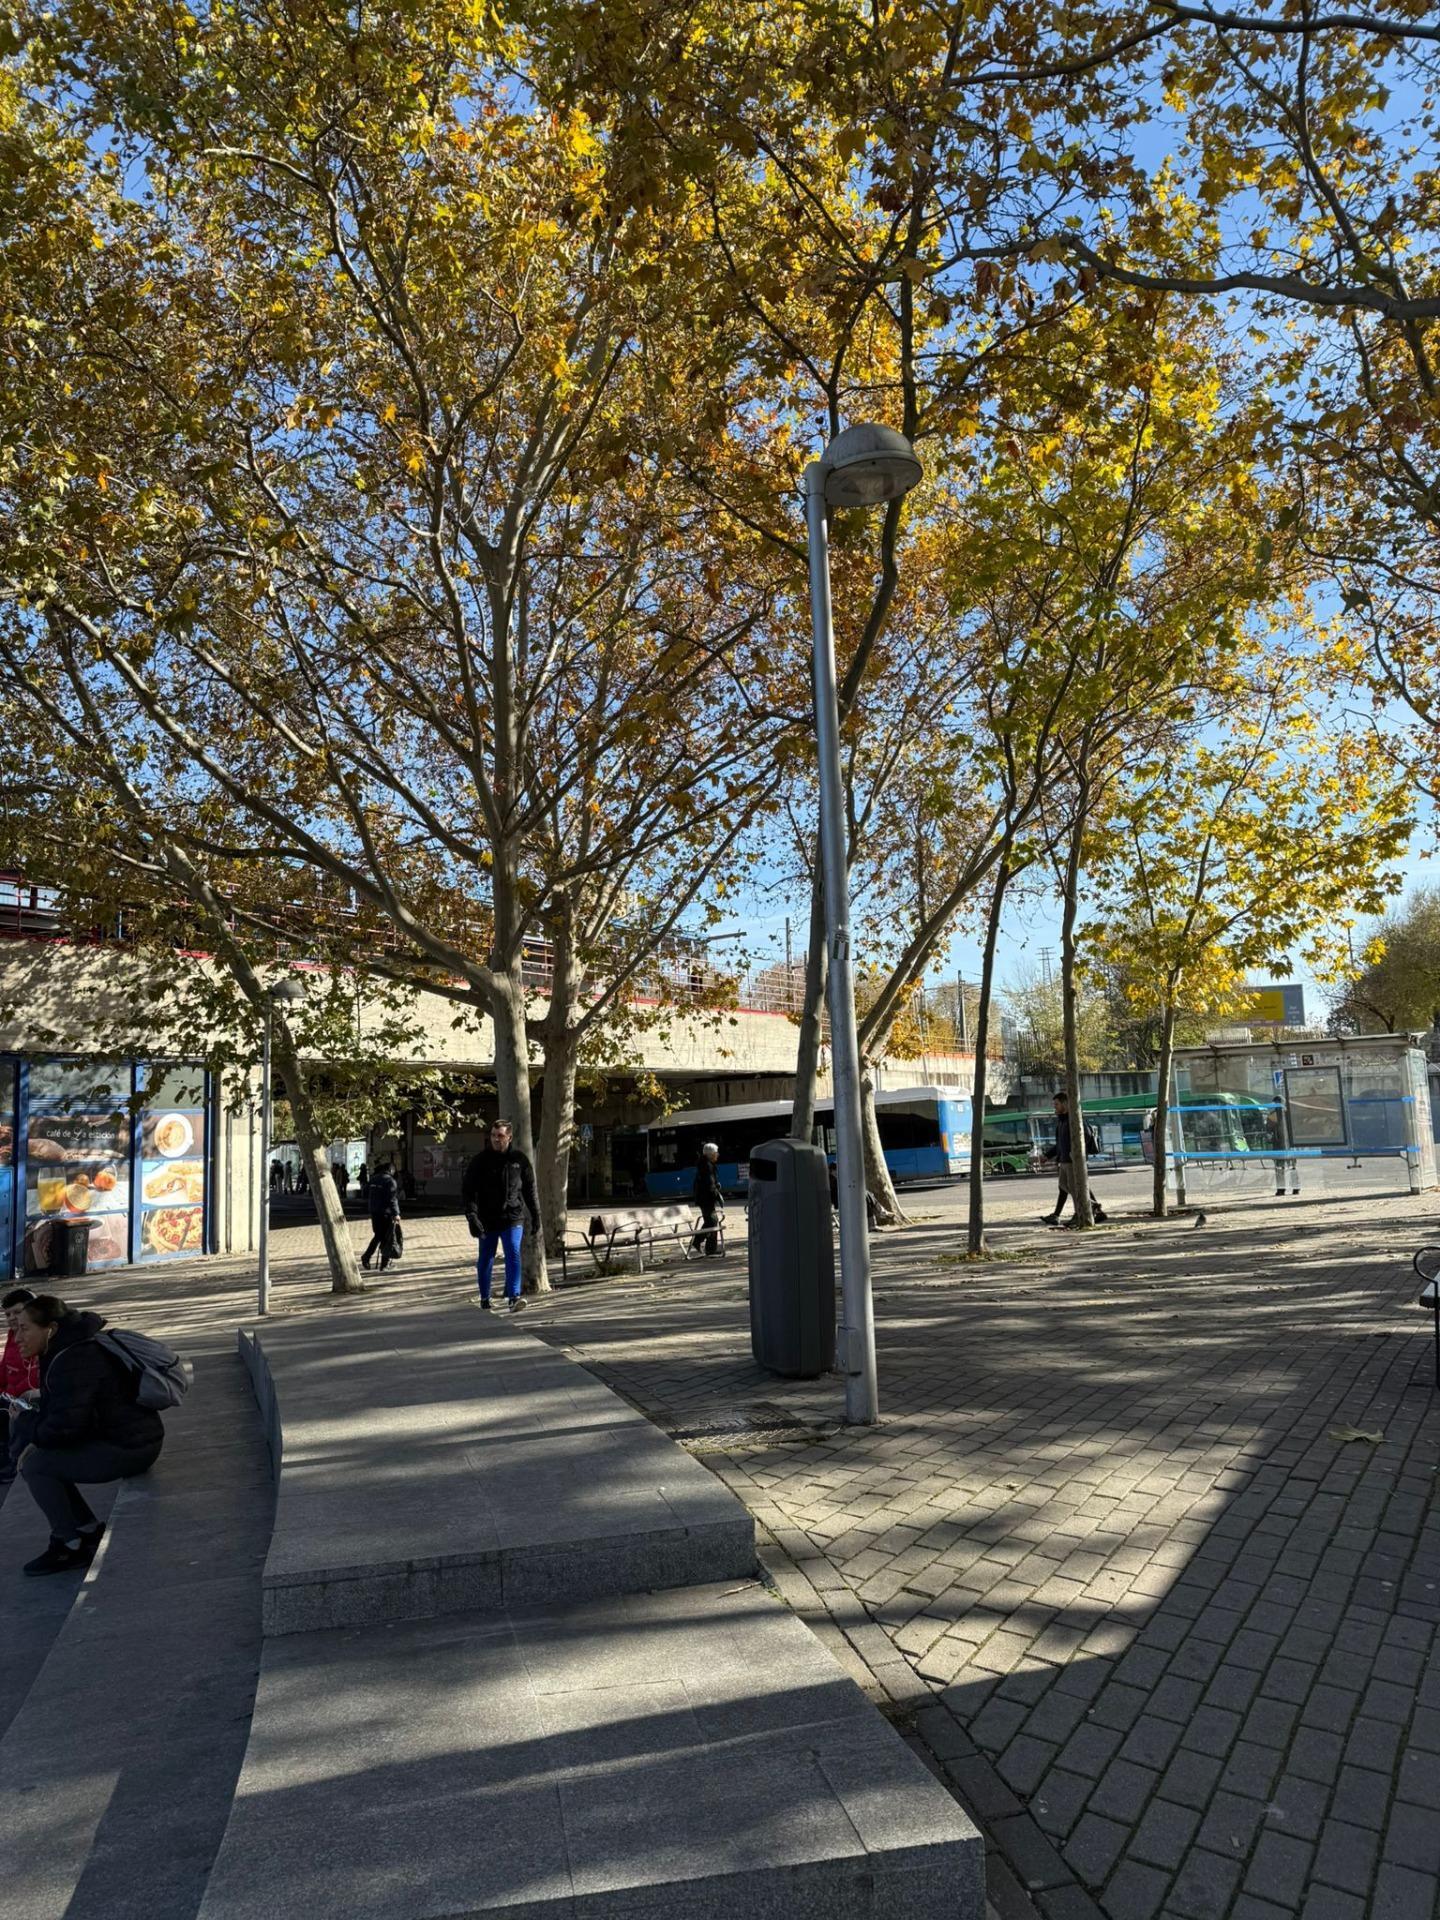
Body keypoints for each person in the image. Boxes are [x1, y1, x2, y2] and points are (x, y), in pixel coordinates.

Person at [12, 1293, 165, 1576]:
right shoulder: (66, 1348)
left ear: (50, 1329)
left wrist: (24, 1423)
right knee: (38, 1455)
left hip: (131, 1448)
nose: (17, 1338)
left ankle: (68, 1545)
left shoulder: (74, 1359)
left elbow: (65, 1429)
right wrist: (34, 1434)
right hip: (130, 1439)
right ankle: (87, 1529)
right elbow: (65, 1416)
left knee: (36, 1466)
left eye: (24, 1329)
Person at [462, 1119, 541, 1313]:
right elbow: (468, 1191)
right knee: (486, 1257)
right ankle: (485, 1298)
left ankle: (514, 1297)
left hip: (513, 1217)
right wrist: (472, 1216)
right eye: (493, 1136)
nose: (496, 1139)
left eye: (500, 1136)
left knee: (513, 1252)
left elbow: (530, 1190)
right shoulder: (480, 1161)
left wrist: (536, 1215)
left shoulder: (519, 1160)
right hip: (486, 1218)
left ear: (509, 1137)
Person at [1042, 1092, 1107, 1226]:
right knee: (1066, 1186)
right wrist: (1047, 1155)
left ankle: (1082, 1212)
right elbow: (1060, 1144)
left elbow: (1087, 1135)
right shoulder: (1061, 1121)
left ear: (1065, 1104)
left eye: (1056, 1104)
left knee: (1075, 1187)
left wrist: (1076, 1152)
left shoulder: (1074, 1119)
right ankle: (1094, 1208)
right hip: (1064, 1160)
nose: (1054, 1107)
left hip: (1072, 1161)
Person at [1, 1285, 40, 1485]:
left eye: (17, 1312)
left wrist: (9, 1394)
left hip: (29, 1395)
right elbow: (4, 1368)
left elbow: (36, 1377)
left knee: (6, 1412)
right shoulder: (12, 1335)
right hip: (11, 1394)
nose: (12, 1318)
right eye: (8, 1314)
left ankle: (10, 1461)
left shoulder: (38, 1334)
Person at [361, 1159, 402, 1271]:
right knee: (388, 1237)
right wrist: (396, 1213)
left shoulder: (374, 1179)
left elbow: (365, 1192)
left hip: (374, 1211)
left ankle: (367, 1257)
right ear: (391, 1170)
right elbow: (392, 1199)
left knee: (379, 1236)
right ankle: (384, 1264)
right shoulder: (390, 1181)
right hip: (385, 1213)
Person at [691, 1141, 724, 1258]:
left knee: (712, 1221)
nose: (717, 1154)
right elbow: (709, 1184)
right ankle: (699, 1242)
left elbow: (710, 1182)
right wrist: (716, 1193)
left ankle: (710, 1248)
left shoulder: (706, 1164)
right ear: (710, 1154)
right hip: (705, 1198)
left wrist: (716, 1186)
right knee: (712, 1221)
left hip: (705, 1198)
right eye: (716, 1153)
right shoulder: (706, 1166)